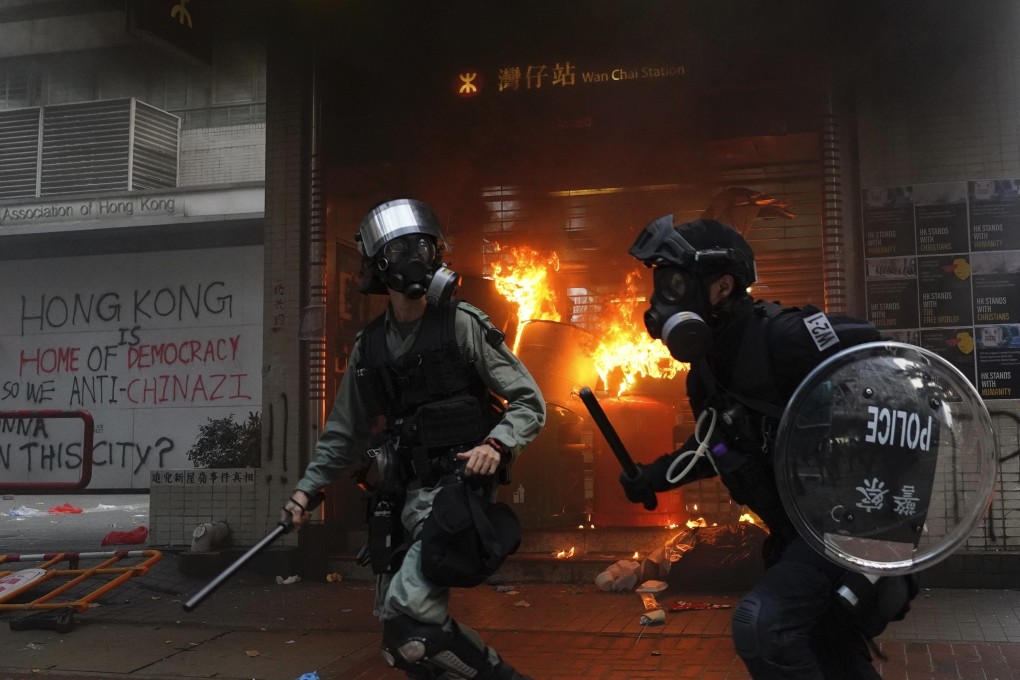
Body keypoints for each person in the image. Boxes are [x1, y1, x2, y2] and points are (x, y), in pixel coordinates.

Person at [619, 215, 918, 679]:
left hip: (841, 530)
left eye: (676, 283)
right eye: (661, 283)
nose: (663, 299)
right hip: (794, 533)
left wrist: (890, 536)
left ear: (722, 286)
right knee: (829, 651)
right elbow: (715, 446)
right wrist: (655, 475)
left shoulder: (784, 337)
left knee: (762, 626)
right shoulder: (706, 373)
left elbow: (899, 375)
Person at [281, 198, 546, 680]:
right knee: (400, 644)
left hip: (452, 494)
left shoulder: (462, 324)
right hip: (399, 500)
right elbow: (343, 432)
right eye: (407, 250)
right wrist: (305, 490)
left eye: (427, 249)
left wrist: (496, 444)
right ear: (382, 265)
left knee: (413, 634)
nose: (421, 260)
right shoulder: (370, 347)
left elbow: (530, 402)